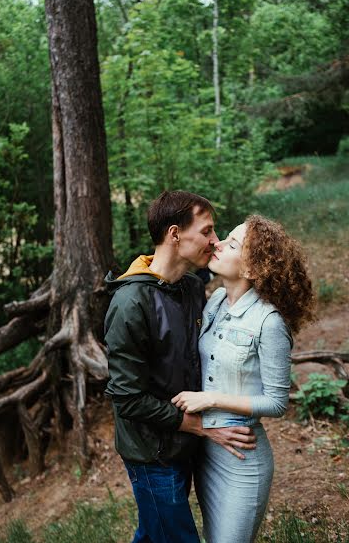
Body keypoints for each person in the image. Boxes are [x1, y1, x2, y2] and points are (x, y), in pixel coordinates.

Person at [104, 191, 257, 543]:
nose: (215, 242)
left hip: (183, 445)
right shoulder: (130, 303)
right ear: (175, 234)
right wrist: (199, 425)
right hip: (152, 455)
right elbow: (126, 399)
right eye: (207, 231)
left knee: (155, 531)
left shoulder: (190, 287)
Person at [172, 214, 315, 543]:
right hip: (207, 449)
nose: (217, 244)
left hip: (242, 459)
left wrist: (211, 399)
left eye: (232, 244)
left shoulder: (270, 323)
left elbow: (278, 402)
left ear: (252, 269)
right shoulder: (217, 301)